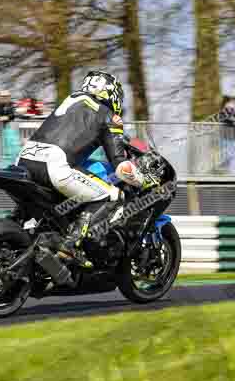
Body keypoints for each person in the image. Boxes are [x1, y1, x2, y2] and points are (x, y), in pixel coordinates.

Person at [16, 71, 145, 266]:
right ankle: (69, 245)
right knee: (112, 195)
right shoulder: (108, 115)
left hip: (24, 160)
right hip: (54, 166)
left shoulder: (70, 100)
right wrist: (141, 180)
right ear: (110, 92)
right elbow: (120, 164)